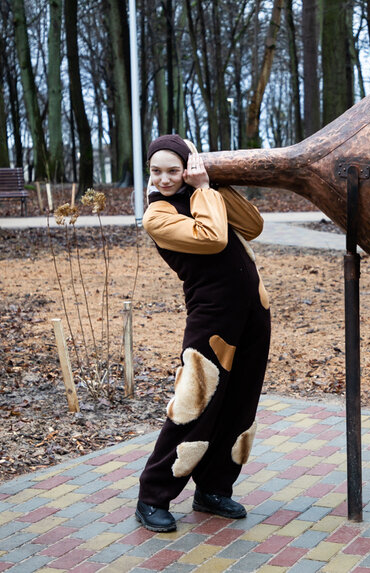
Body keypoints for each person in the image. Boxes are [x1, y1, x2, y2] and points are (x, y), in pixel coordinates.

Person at [134, 134, 271, 532]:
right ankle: (152, 496)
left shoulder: (201, 191)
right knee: (195, 404)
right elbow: (213, 238)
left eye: (173, 170)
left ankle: (213, 488)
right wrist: (204, 189)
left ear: (188, 167)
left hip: (253, 311)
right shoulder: (157, 215)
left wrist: (214, 185)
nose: (164, 178)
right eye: (156, 171)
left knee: (240, 404)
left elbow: (253, 225)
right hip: (212, 319)